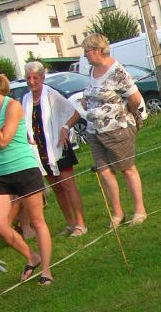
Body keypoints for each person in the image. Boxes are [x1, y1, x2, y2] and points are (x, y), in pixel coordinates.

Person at [0, 67, 53, 284]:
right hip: (0, 173)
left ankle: (46, 270)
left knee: (37, 221)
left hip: (24, 168)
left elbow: (4, 141)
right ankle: (31, 256)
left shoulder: (12, 106)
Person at [80, 33, 147, 227]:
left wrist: (125, 113)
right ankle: (118, 214)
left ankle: (139, 210)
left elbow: (135, 98)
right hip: (94, 131)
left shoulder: (117, 71)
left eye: (87, 51)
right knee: (105, 172)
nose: (85, 55)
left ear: (98, 50)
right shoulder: (92, 70)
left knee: (127, 169)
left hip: (117, 130)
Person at [22, 61, 87, 236]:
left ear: (42, 78)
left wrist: (65, 128)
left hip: (58, 146)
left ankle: (81, 224)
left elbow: (74, 113)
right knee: (57, 189)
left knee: (68, 186)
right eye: (28, 78)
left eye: (36, 77)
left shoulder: (52, 95)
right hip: (41, 150)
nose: (32, 81)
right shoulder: (26, 99)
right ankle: (70, 223)